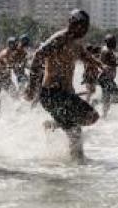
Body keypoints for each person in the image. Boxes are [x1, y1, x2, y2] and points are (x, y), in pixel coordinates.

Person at [25, 10, 103, 157]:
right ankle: (55, 127)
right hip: (53, 93)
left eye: (87, 27)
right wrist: (32, 85)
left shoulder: (76, 42)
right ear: (73, 24)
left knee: (76, 133)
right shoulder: (60, 38)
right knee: (90, 116)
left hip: (63, 94)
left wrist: (98, 64)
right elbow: (38, 55)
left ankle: (76, 167)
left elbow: (84, 55)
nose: (85, 31)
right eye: (83, 27)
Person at [96, 34, 118, 116]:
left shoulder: (106, 50)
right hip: (106, 78)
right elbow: (110, 63)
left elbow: (107, 62)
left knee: (107, 97)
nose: (115, 43)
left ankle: (104, 115)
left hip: (105, 78)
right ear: (108, 42)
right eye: (113, 42)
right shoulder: (107, 51)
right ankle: (97, 101)